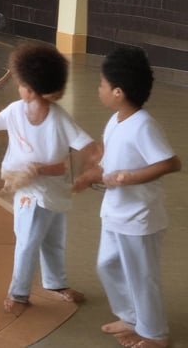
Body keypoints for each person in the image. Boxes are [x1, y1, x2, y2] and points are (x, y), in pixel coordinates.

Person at [0, 41, 100, 315]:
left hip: (55, 190)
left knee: (53, 238)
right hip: (28, 191)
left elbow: (85, 149)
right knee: (28, 240)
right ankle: (18, 292)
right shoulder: (17, 109)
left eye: (21, 83)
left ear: (30, 88)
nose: (20, 88)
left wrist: (88, 169)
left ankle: (55, 283)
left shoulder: (59, 119)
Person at [74, 47, 181, 348]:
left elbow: (171, 163)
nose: (99, 89)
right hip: (115, 213)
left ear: (118, 91)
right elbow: (112, 161)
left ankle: (155, 333)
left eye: (101, 85)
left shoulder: (143, 125)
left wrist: (130, 177)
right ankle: (131, 316)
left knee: (142, 277)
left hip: (140, 219)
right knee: (106, 265)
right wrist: (90, 175)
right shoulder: (115, 121)